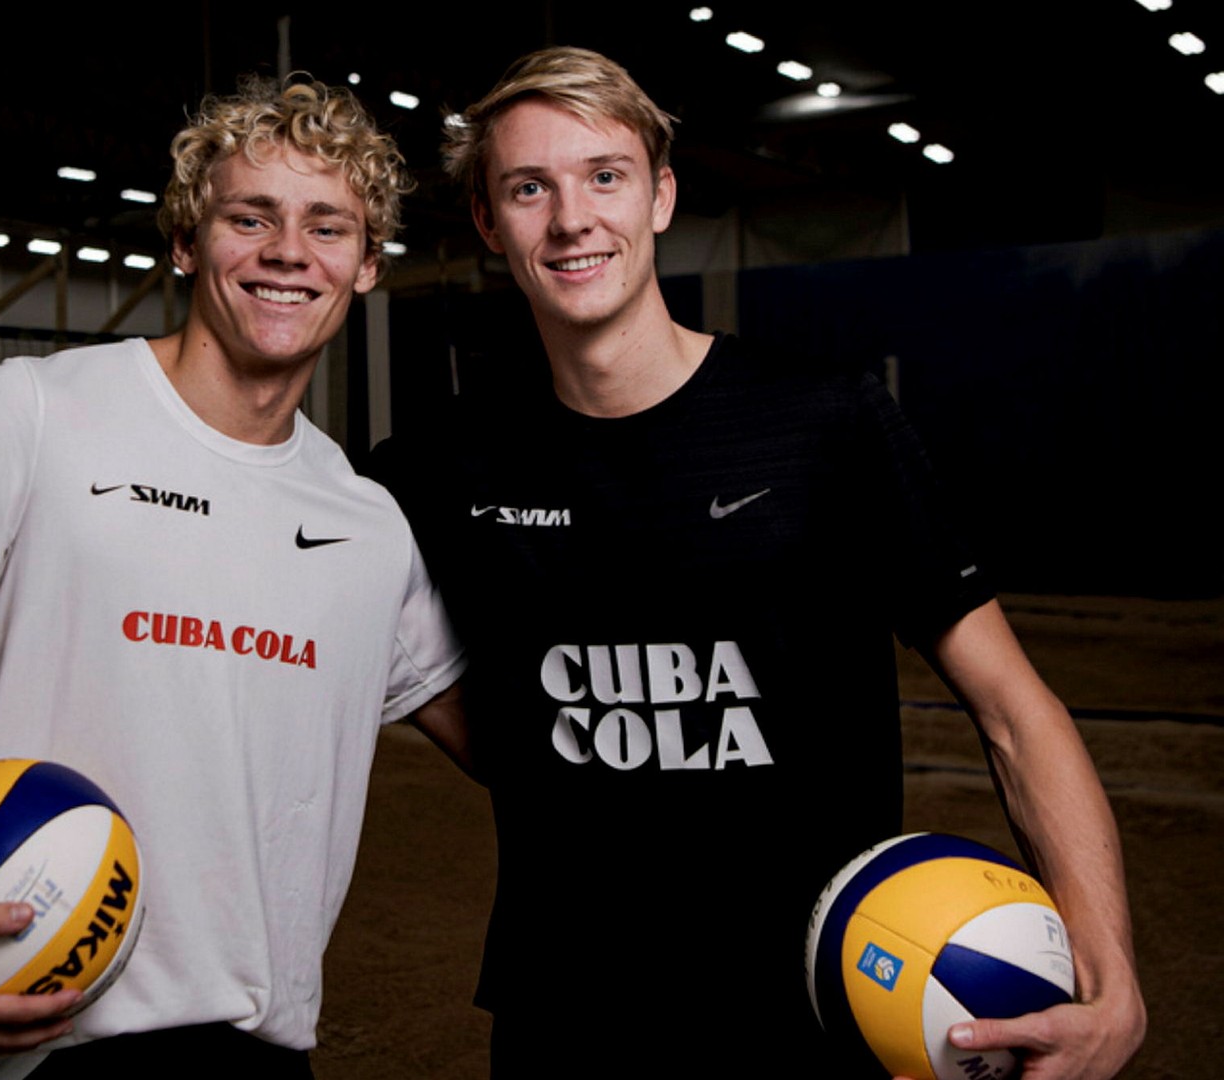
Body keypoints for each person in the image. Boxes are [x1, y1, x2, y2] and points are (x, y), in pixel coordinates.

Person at [371, 47, 1145, 1078]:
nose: (571, 219)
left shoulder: (826, 420)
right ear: (488, 223)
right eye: (528, 187)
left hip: (821, 1016)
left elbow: (1011, 706)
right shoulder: (435, 467)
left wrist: (1113, 975)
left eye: (605, 175)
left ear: (660, 196)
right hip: (570, 1020)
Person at [0, 76, 464, 1080]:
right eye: (250, 217)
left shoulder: (370, 528)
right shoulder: (28, 416)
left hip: (251, 1056)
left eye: (327, 226)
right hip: (14, 1040)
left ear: (366, 265)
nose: (289, 251)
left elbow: (548, 747)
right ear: (186, 242)